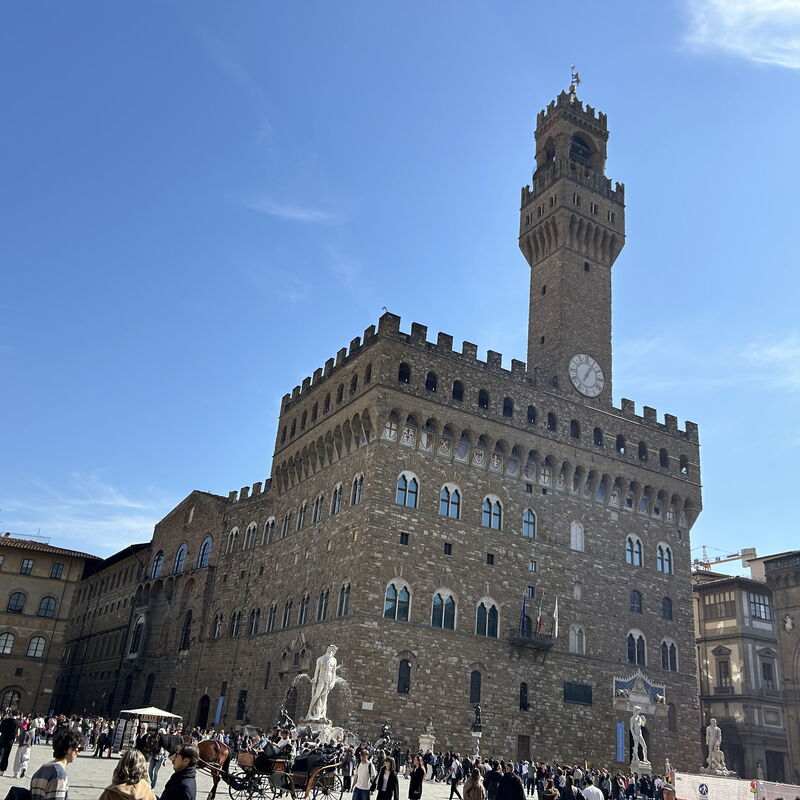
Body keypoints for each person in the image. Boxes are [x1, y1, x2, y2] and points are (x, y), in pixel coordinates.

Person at [30, 728, 83, 800]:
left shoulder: (43, 768)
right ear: (69, 750)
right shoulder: (59, 774)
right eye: (79, 749)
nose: (78, 753)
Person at [0, 710, 20, 776]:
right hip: (10, 740)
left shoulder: (5, 720)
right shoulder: (17, 723)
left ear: (11, 714)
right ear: (17, 715)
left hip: (2, 738)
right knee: (6, 755)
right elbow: (17, 733)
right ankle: (2, 770)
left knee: (0, 753)